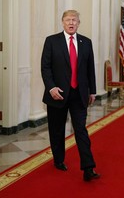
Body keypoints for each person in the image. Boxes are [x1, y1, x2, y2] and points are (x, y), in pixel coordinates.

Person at [41, 10, 100, 181]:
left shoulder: (86, 42)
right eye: (68, 20)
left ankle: (88, 168)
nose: (71, 23)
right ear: (62, 22)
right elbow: (45, 67)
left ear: (79, 23)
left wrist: (93, 90)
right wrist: (51, 88)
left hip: (79, 94)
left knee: (81, 130)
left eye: (74, 20)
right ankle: (58, 160)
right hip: (57, 94)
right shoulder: (51, 41)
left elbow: (90, 69)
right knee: (57, 130)